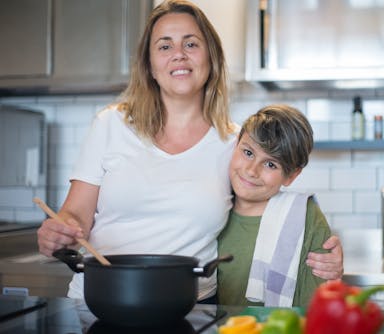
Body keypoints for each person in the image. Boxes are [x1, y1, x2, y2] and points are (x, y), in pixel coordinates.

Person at [36, 0, 343, 302]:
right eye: (165, 46)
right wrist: (60, 231)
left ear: (211, 59)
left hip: (192, 306)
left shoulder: (235, 143)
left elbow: (270, 210)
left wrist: (317, 249)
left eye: (191, 44)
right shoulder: (110, 124)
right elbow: (75, 214)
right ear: (150, 65)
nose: (179, 55)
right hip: (102, 298)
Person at [217, 105, 334, 308]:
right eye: (248, 152)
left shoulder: (304, 217)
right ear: (236, 144)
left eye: (271, 164)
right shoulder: (212, 208)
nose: (252, 170)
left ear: (292, 175)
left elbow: (315, 308)